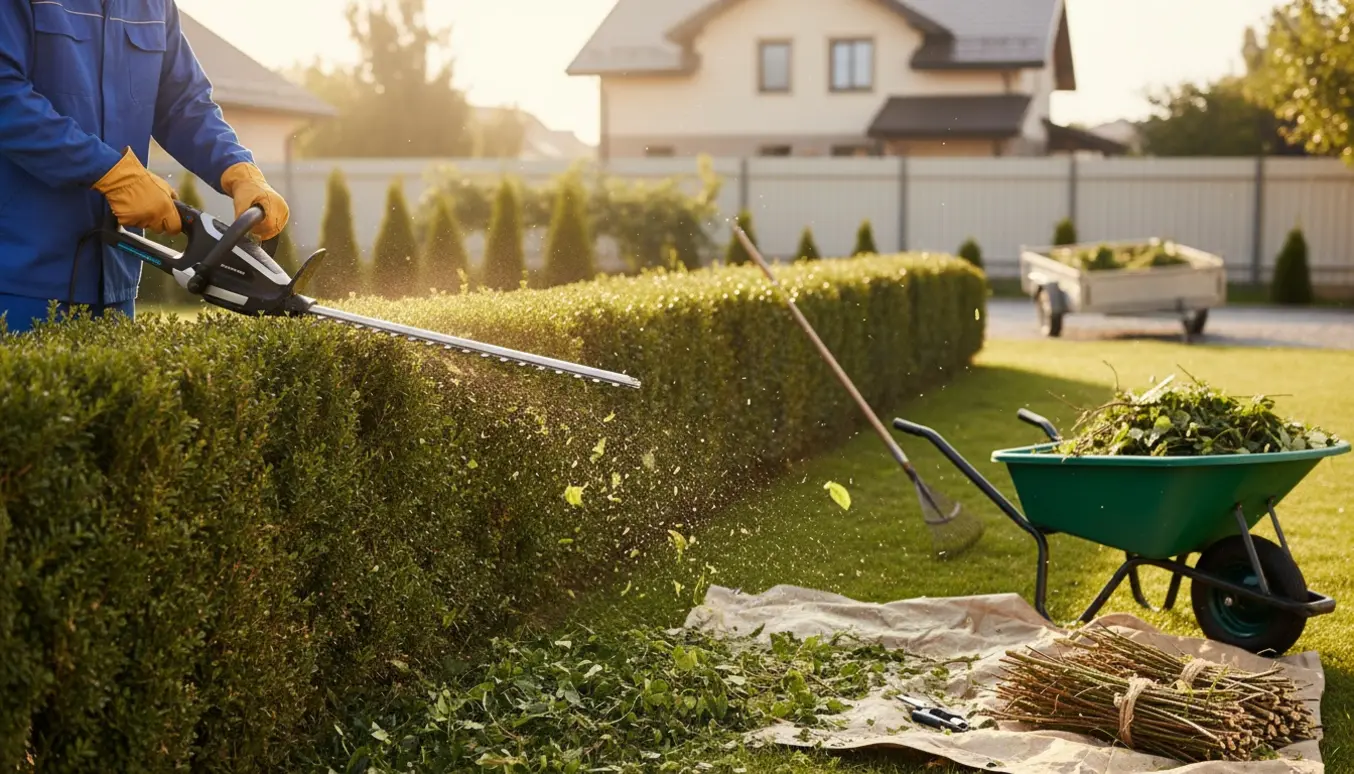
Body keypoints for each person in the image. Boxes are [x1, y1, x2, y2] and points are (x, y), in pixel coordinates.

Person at [0, 0, 290, 334]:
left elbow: (183, 105)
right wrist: (105, 171)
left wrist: (239, 169)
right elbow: (6, 96)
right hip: (17, 281)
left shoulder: (153, 5)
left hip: (114, 284)